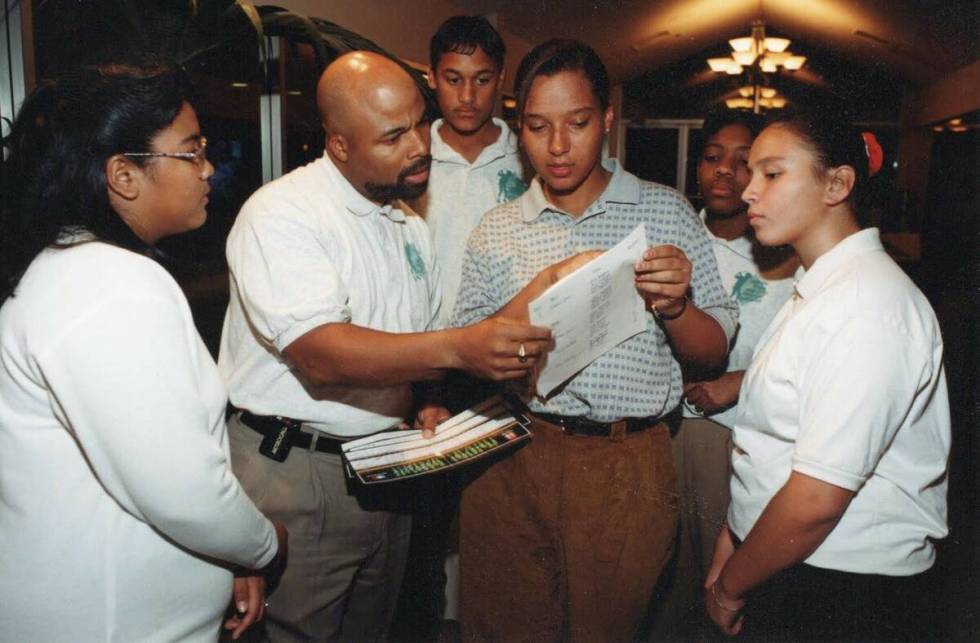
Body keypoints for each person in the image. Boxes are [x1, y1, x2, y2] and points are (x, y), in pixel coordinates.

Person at [218, 51, 552, 642]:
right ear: (340, 145)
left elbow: (405, 342)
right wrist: (455, 351)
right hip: (297, 473)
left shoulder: (407, 225)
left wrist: (423, 395)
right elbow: (320, 353)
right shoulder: (283, 214)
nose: (420, 145)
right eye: (394, 136)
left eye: (420, 123)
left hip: (384, 468)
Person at [453, 39, 738, 642]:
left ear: (607, 119)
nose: (557, 147)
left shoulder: (664, 213)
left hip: (625, 463)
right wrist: (540, 290)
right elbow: (468, 356)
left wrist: (677, 306)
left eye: (577, 124)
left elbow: (711, 354)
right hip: (513, 454)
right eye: (537, 127)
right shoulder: (499, 226)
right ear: (519, 129)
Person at [0, 64, 286, 643]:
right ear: (124, 175)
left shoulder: (66, 268)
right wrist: (263, 544)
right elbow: (181, 489)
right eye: (191, 151)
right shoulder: (113, 284)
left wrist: (226, 561)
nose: (208, 167)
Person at [704, 110, 950, 641]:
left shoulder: (866, 305)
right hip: (791, 562)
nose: (749, 191)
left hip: (840, 582)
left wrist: (730, 589)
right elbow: (778, 441)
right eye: (752, 174)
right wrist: (734, 535)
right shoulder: (823, 286)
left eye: (772, 174)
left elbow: (816, 502)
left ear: (836, 184)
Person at [651, 108, 799, 639]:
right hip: (666, 428)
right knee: (664, 573)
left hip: (739, 434)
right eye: (713, 158)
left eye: (744, 162)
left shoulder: (784, 252)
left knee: (724, 579)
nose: (725, 173)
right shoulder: (672, 236)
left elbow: (802, 349)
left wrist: (737, 382)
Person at [420, 14, 527, 322]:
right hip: (431, 348)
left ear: (501, 78)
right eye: (454, 80)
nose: (467, 97)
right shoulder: (411, 160)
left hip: (511, 338)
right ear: (432, 76)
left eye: (482, 80)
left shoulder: (528, 161)